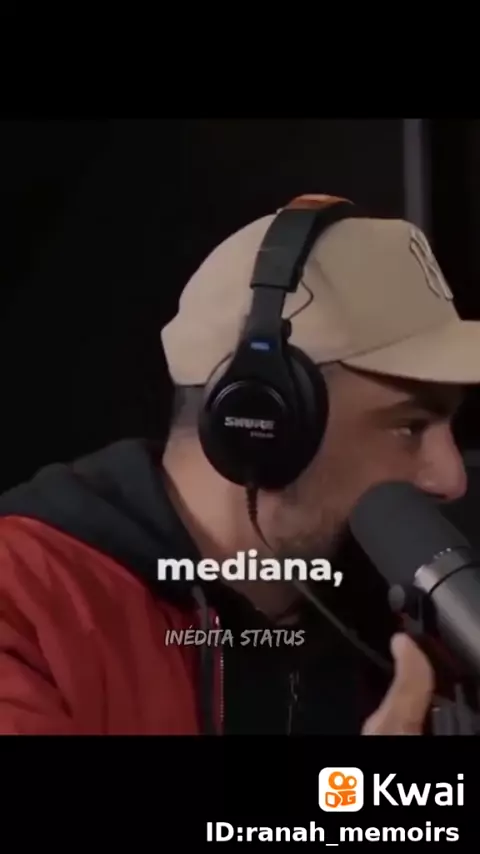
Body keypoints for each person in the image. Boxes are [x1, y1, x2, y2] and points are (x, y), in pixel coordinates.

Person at [0, 194, 476, 736]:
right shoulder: (23, 601)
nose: (451, 478)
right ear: (264, 419)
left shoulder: (411, 622)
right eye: (410, 426)